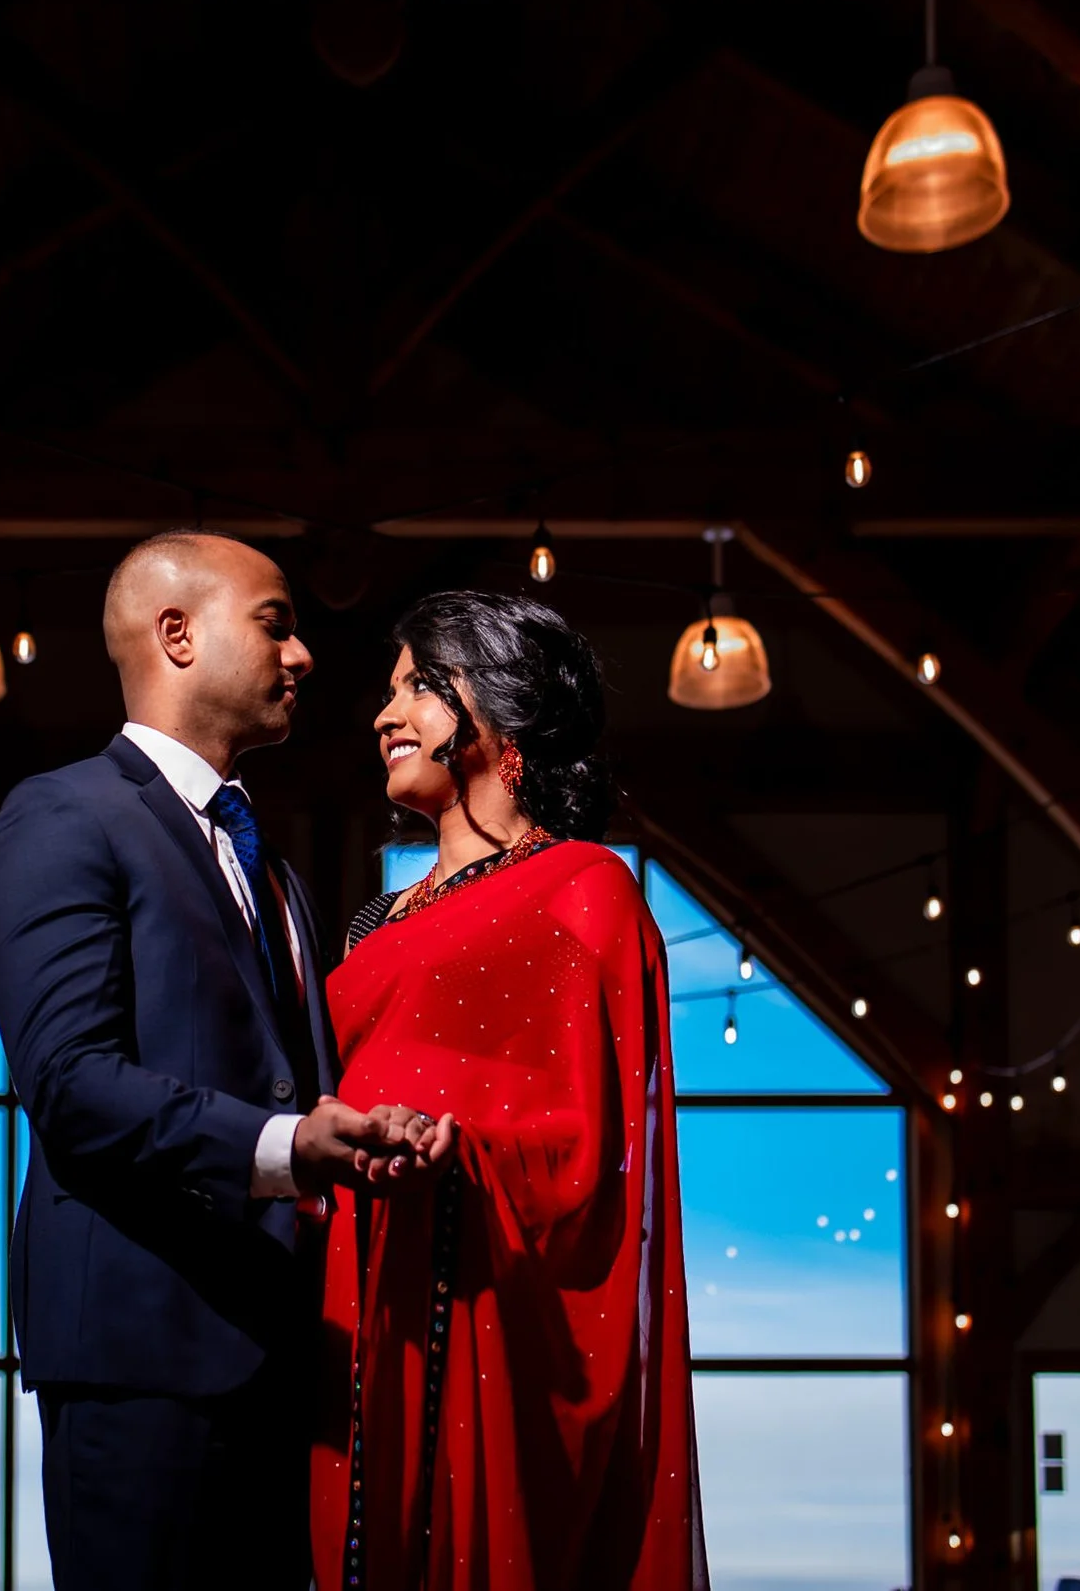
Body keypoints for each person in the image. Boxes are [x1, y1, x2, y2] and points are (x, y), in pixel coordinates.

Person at [0, 530, 433, 1591]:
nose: (305, 654)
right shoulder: (61, 813)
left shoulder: (268, 867)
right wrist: (285, 1144)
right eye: (276, 622)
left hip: (285, 1367)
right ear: (174, 634)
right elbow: (71, 1083)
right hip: (139, 1360)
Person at [311, 589, 709, 1591]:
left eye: (417, 687)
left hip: (480, 1296)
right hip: (352, 1286)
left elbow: (592, 1150)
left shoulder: (584, 886)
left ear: (502, 712)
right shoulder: (368, 924)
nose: (383, 714)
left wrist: (457, 1150)